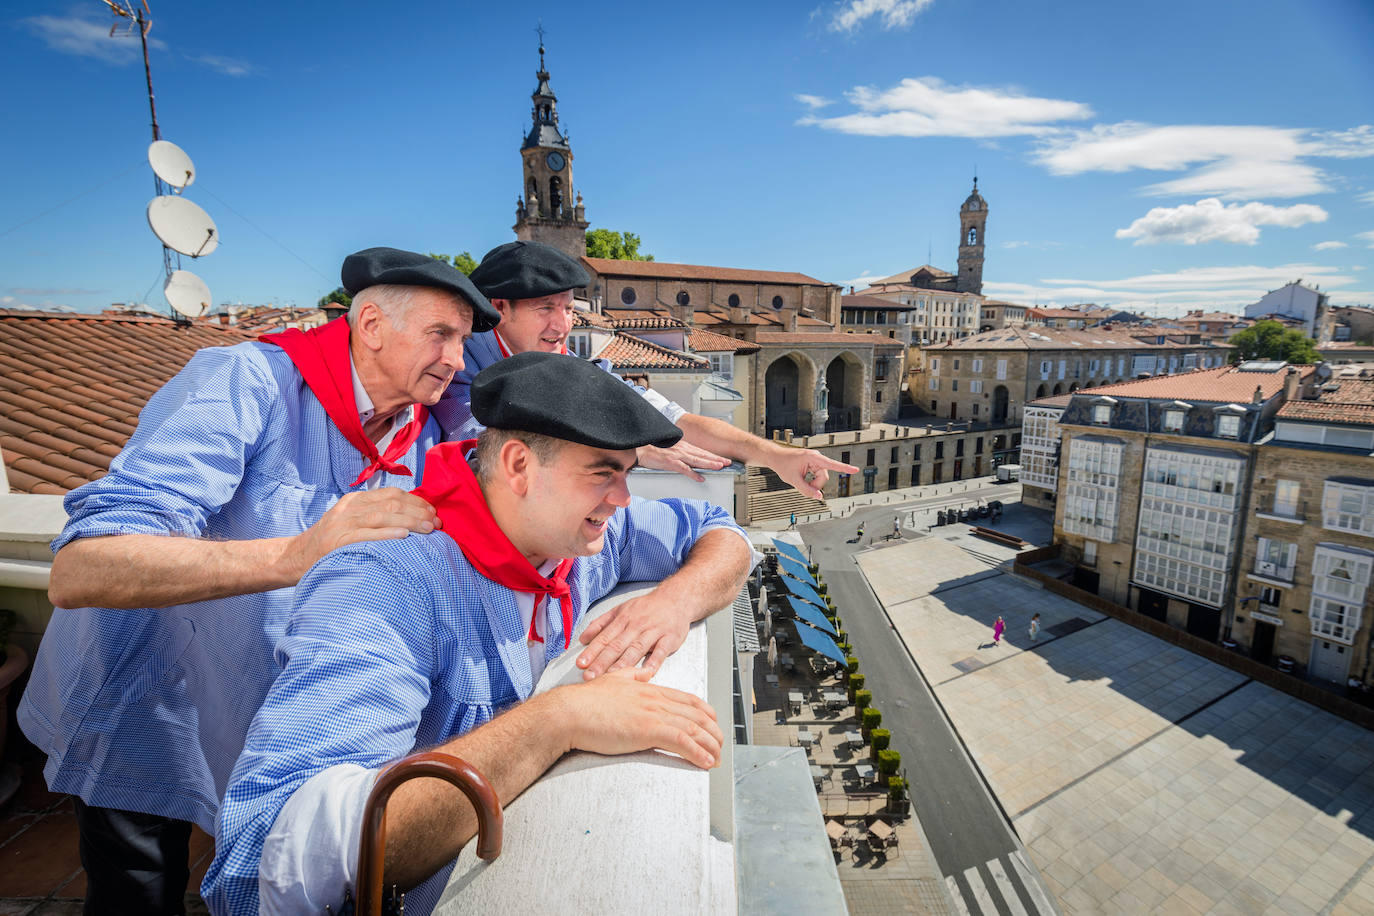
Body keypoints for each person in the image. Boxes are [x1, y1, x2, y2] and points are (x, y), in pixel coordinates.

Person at [17, 248, 502, 915]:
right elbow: (84, 567)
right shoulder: (248, 381)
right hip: (143, 697)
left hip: (245, 708)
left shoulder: (422, 427)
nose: (455, 359)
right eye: (439, 335)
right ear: (369, 326)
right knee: (138, 890)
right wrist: (297, 555)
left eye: (462, 340)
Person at [204, 352, 758, 915]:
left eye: (626, 474)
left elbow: (720, 532)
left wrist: (674, 601)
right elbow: (268, 856)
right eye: (602, 473)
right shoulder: (386, 585)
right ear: (518, 465)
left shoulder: (581, 537)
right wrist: (558, 721)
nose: (620, 499)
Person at [431, 240, 858, 500]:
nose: (562, 325)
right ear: (498, 308)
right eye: (545, 308)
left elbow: (673, 419)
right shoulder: (459, 362)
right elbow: (484, 449)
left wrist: (776, 456)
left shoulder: (563, 360)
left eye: (567, 307)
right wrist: (624, 449)